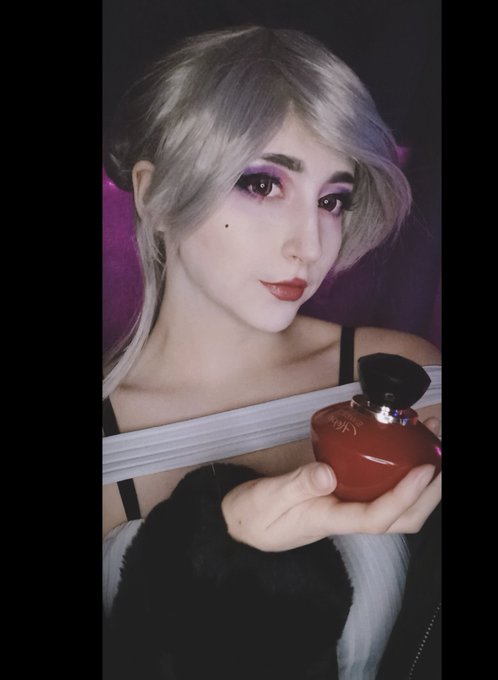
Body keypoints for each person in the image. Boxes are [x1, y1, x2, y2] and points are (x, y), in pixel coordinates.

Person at [102, 25, 441, 680]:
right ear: (154, 195)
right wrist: (210, 545)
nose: (309, 246)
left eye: (333, 200)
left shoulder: (407, 376)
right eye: (262, 185)